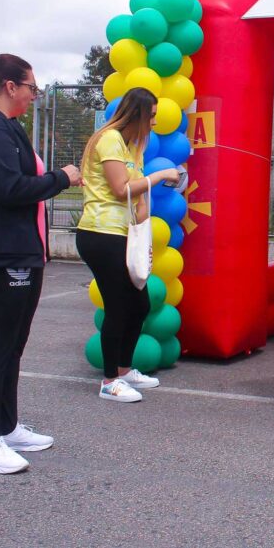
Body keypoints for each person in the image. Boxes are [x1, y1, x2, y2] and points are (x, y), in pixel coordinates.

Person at [0, 54, 83, 474]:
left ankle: (6, 427)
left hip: (22, 250)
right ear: (10, 86)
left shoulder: (8, 125)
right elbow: (10, 188)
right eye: (32, 87)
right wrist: (62, 178)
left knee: (14, 344)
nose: (35, 95)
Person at [77, 88, 179, 403]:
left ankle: (123, 370)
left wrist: (142, 230)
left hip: (123, 236)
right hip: (100, 233)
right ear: (138, 114)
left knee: (139, 305)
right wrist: (160, 175)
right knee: (118, 307)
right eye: (151, 116)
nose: (154, 122)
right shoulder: (109, 139)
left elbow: (136, 198)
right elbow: (121, 189)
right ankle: (110, 381)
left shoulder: (132, 146)